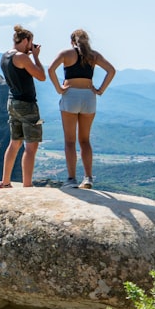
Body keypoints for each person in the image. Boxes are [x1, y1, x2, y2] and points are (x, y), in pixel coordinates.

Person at [47, 29, 116, 189]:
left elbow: (51, 69)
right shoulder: (94, 55)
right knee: (85, 140)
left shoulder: (66, 53)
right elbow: (111, 71)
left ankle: (71, 179)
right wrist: (100, 90)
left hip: (70, 95)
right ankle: (88, 178)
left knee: (69, 141)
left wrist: (59, 88)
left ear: (72, 41)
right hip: (88, 97)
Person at [0, 25, 46, 188]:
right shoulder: (22, 58)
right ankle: (27, 185)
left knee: (14, 142)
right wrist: (36, 57)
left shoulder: (5, 56)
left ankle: (5, 182)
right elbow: (41, 76)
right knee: (31, 146)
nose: (31, 47)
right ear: (26, 40)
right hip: (27, 104)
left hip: (12, 102)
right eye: (30, 43)